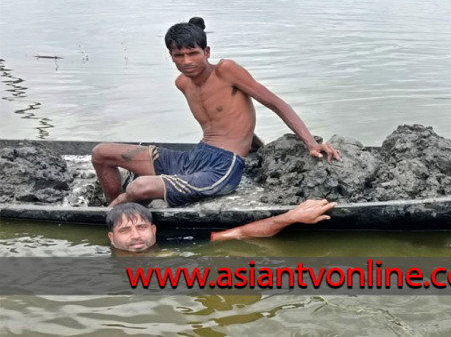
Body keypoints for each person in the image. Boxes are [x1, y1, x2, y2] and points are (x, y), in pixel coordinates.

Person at [92, 17, 341, 207]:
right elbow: (223, 118)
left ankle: (122, 205)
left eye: (193, 53)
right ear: (171, 56)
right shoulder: (183, 83)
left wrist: (310, 143)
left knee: (138, 187)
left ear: (206, 52)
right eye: (179, 55)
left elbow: (275, 103)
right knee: (101, 153)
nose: (187, 61)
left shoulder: (226, 70)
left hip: (222, 167)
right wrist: (254, 143)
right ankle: (115, 213)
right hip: (194, 157)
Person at [107, 199, 337, 253]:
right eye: (125, 230)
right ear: (111, 238)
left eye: (141, 227)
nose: (136, 236)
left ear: (154, 230)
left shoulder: (179, 243)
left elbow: (240, 232)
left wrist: (291, 217)